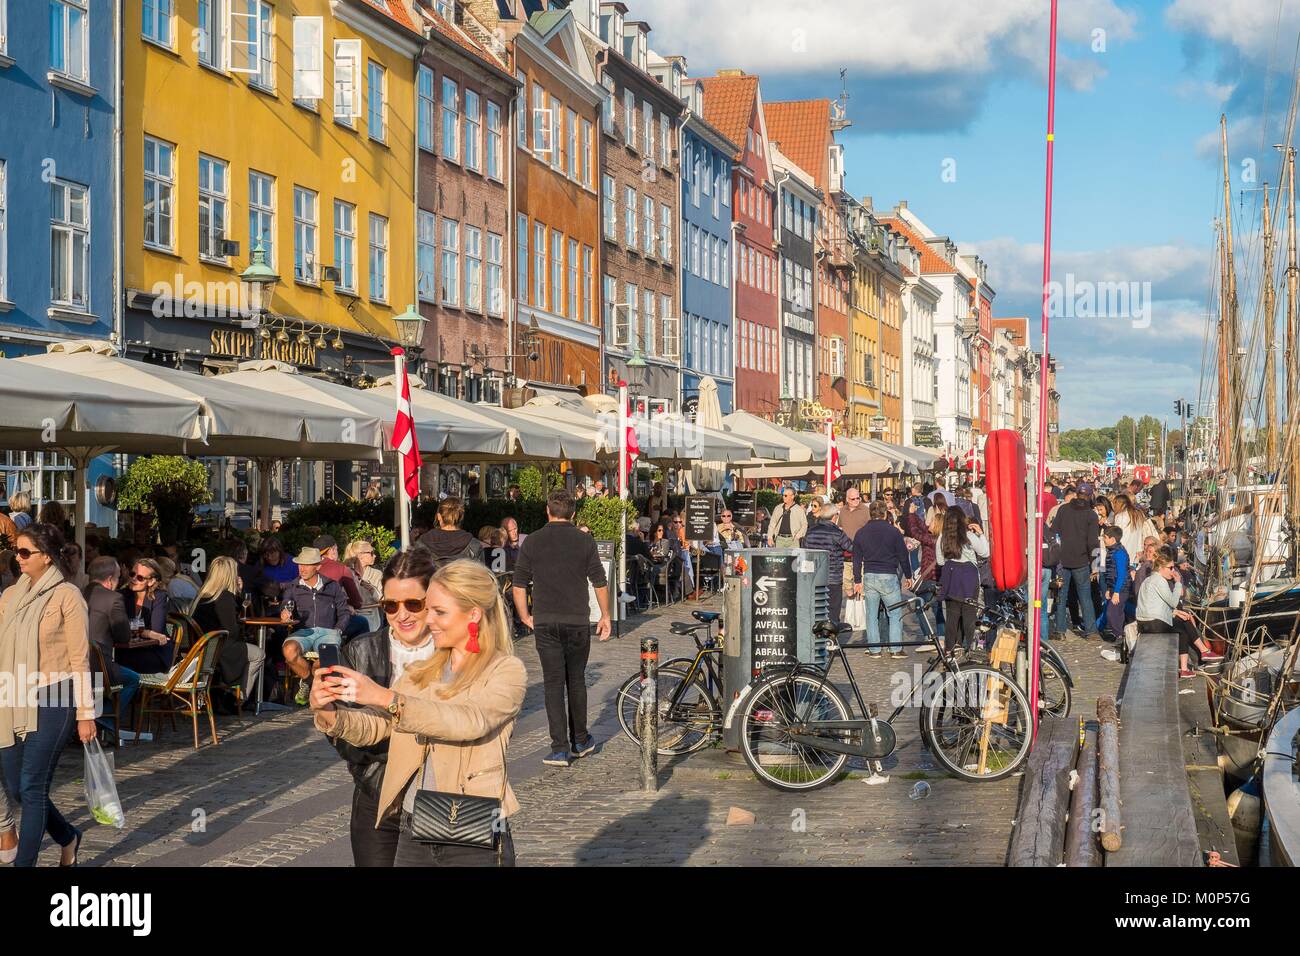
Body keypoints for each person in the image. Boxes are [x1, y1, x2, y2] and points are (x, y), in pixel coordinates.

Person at [312, 559, 527, 867]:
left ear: (474, 614)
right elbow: (383, 726)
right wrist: (331, 713)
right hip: (417, 819)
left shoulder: (505, 670)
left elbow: (469, 721)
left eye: (439, 611)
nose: (430, 620)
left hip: (474, 819)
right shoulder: (422, 671)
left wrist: (385, 696)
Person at [319, 550, 437, 866]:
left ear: (433, 600)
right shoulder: (361, 650)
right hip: (378, 791)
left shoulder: (452, 651)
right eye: (390, 605)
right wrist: (329, 714)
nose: (402, 615)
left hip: (439, 794)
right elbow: (347, 745)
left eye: (414, 604)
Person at [0, 524, 95, 866]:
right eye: (17, 551)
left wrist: (86, 713)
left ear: (46, 556)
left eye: (26, 553)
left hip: (54, 697)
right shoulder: (10, 596)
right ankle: (68, 837)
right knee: (16, 788)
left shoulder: (67, 596)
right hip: (12, 696)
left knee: (33, 786)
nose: (18, 558)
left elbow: (79, 659)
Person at [512, 490, 610, 767]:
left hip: (545, 619)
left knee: (553, 683)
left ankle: (558, 748)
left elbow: (519, 585)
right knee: (576, 680)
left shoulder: (532, 541)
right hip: (577, 619)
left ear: (547, 511)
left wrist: (525, 616)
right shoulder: (584, 540)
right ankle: (580, 739)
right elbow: (599, 582)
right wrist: (605, 615)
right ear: (574, 513)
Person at [189, 557, 267, 715]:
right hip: (219, 649)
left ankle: (232, 694)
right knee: (259, 654)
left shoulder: (203, 594)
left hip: (202, 648)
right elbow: (232, 630)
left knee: (250, 651)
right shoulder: (224, 597)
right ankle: (238, 698)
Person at [280, 546, 352, 705]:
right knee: (289, 650)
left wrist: (338, 630)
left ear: (317, 566)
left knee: (326, 654)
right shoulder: (293, 587)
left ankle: (315, 690)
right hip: (303, 633)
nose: (302, 568)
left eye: (306, 565)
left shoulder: (331, 586)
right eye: (300, 564)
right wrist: (284, 612)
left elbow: (344, 612)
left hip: (327, 631)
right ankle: (308, 680)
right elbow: (286, 604)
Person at [84, 556, 143, 741]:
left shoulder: (76, 593)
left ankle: (99, 717)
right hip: (99, 668)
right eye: (118, 577)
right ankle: (105, 720)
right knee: (133, 678)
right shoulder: (113, 598)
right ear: (110, 580)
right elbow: (123, 636)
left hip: (72, 666)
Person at [1136, 554, 1222, 678]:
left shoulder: (1148, 580)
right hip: (1153, 624)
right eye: (1170, 568)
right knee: (1183, 625)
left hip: (1143, 623)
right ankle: (1200, 654)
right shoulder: (1159, 581)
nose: (1173, 571)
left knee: (1182, 623)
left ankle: (1191, 663)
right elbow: (1174, 602)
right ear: (1161, 568)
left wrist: (1174, 613)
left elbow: (1154, 606)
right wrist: (1177, 584)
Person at [850, 501, 914, 658]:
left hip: (870, 575)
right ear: (885, 514)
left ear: (870, 514)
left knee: (871, 615)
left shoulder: (861, 532)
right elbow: (903, 556)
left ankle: (874, 649)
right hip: (888, 575)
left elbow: (856, 559)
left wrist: (857, 580)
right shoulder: (893, 532)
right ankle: (895, 649)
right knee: (894, 613)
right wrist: (908, 575)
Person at [935, 508, 990, 654]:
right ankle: (970, 647)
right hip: (968, 579)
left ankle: (950, 648)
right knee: (969, 615)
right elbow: (985, 552)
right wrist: (981, 534)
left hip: (951, 579)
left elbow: (940, 561)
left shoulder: (942, 537)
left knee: (952, 617)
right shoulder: (968, 536)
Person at [1053, 482, 1102, 641]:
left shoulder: (1063, 509)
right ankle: (1091, 631)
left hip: (1061, 560)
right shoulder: (1091, 515)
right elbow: (1093, 542)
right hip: (1081, 561)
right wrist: (1096, 564)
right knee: (1085, 597)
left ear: (1076, 494)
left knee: (1061, 596)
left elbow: (1054, 532)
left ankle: (1060, 630)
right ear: (1089, 497)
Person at [115, 558, 174, 674]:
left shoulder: (159, 597)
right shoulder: (121, 595)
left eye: (140, 577)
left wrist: (142, 631)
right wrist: (148, 632)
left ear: (151, 581)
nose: (133, 579)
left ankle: (125, 690)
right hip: (126, 649)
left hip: (153, 652)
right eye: (132, 574)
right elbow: (119, 624)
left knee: (125, 665)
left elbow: (157, 629)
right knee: (109, 663)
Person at [804, 503, 854, 625]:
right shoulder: (837, 533)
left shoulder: (810, 531)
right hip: (833, 576)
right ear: (834, 516)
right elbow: (851, 547)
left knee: (816, 608)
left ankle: (816, 634)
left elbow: (804, 550)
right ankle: (831, 637)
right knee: (832, 610)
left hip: (814, 576)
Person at [415, 498, 485, 567]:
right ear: (461, 517)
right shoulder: (473, 545)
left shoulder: (422, 543)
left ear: (439, 516)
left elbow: (415, 573)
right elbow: (480, 576)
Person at [1100, 525, 1131, 643]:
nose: (1104, 539)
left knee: (1111, 613)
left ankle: (1119, 635)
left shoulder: (1119, 553)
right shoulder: (1111, 551)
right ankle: (1121, 636)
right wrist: (1109, 588)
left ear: (1112, 539)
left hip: (1121, 588)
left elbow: (1121, 574)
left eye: (1105, 537)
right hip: (1114, 587)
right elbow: (1110, 573)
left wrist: (1117, 592)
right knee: (1117, 612)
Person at [343, 539, 383, 606]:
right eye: (371, 553)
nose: (375, 556)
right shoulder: (347, 574)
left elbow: (383, 600)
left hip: (373, 613)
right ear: (360, 556)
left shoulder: (377, 574)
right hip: (354, 614)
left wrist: (371, 589)